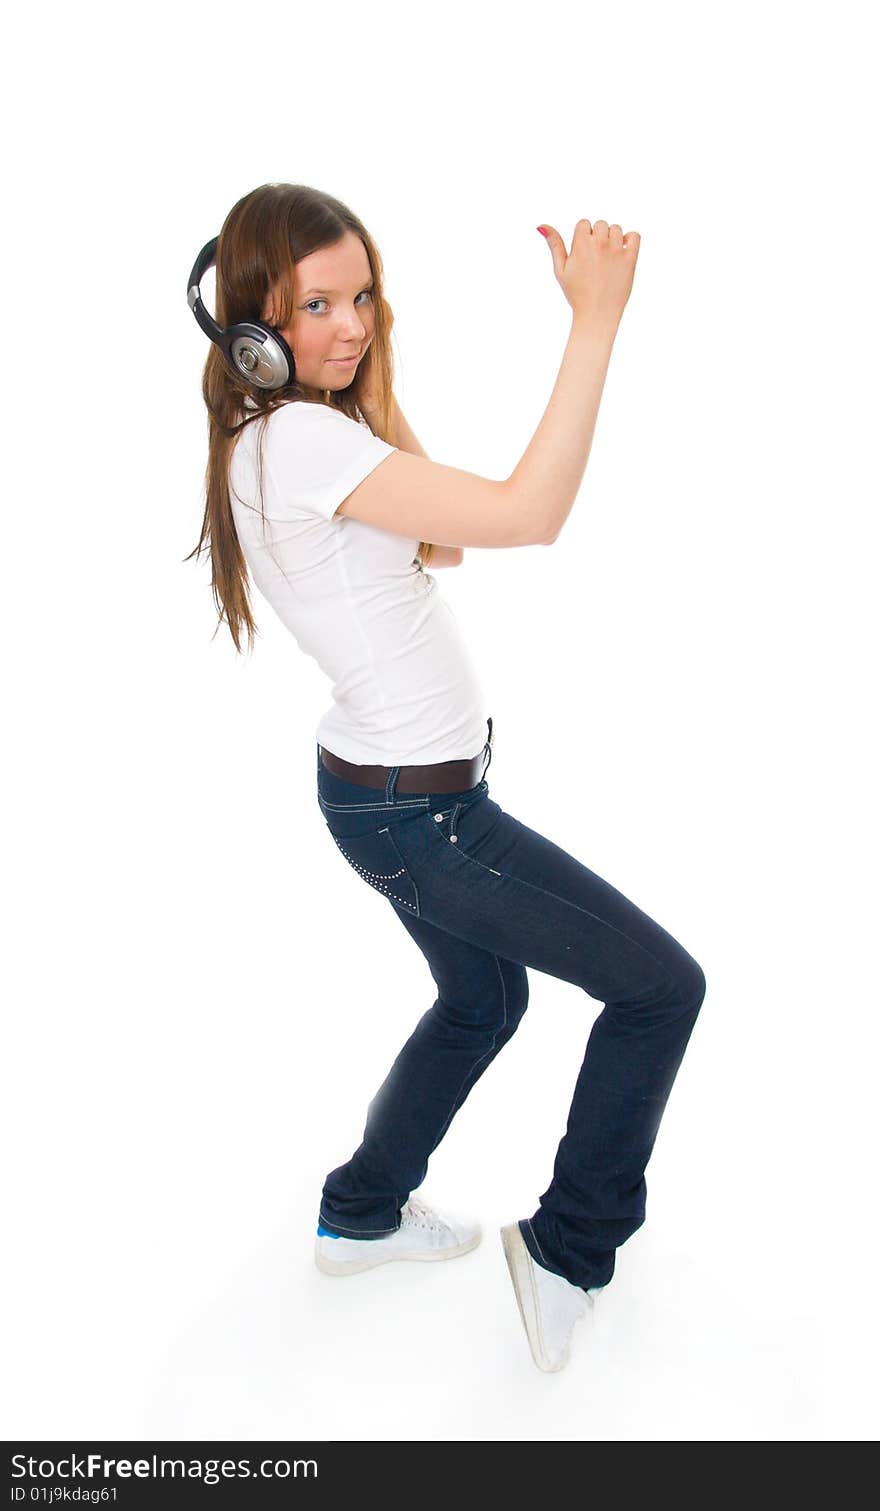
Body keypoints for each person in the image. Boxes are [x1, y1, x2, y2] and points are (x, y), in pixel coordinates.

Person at [186, 182, 706, 1374]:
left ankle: (360, 1212)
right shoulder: (305, 440)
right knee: (659, 989)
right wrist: (593, 322)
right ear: (249, 325)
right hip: (429, 820)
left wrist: (363, 383)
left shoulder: (289, 435)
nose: (352, 322)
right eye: (315, 304)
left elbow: (448, 540)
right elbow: (526, 517)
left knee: (484, 1001)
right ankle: (570, 1250)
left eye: (362, 295)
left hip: (383, 799)